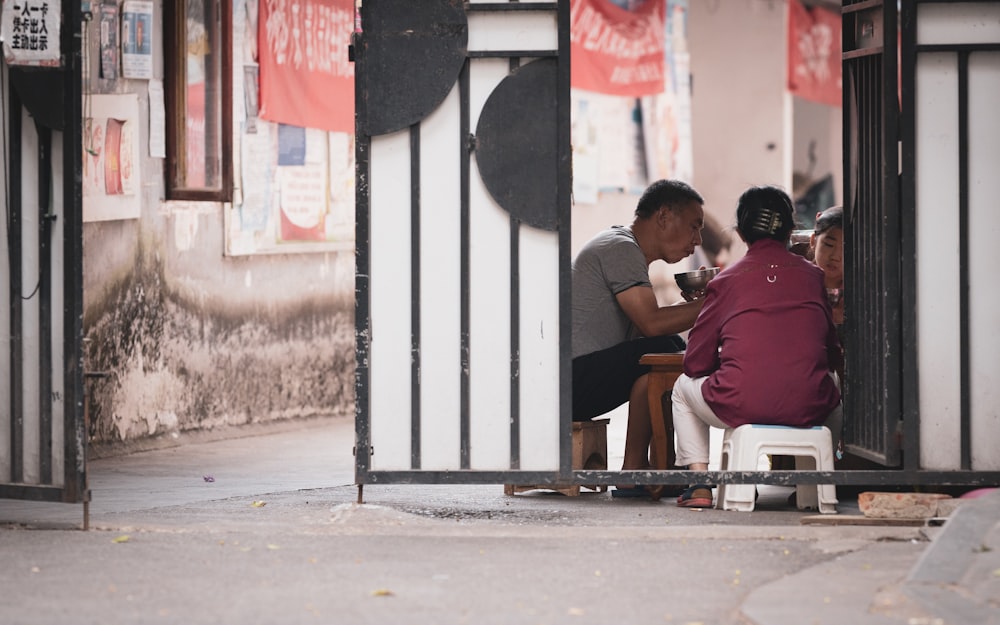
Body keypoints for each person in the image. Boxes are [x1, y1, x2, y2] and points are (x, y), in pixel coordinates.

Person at [670, 185, 843, 507]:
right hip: (809, 403)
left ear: (740, 232)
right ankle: (820, 481)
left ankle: (699, 484)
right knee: (833, 384)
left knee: (681, 388)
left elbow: (694, 365)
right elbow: (832, 354)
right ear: (792, 231)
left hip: (740, 401)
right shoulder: (813, 278)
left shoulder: (725, 281)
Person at [572, 179, 706, 498]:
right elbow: (651, 325)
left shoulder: (624, 248)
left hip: (576, 377)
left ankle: (648, 466)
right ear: (662, 217)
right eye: (693, 226)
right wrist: (716, 303)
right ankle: (636, 469)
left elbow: (649, 323)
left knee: (665, 354)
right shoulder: (620, 247)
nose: (697, 240)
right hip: (568, 384)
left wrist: (696, 305)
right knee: (665, 349)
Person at [810, 206, 844, 326]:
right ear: (813, 241)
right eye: (829, 245)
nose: (835, 257)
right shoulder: (799, 279)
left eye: (845, 250)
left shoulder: (859, 290)